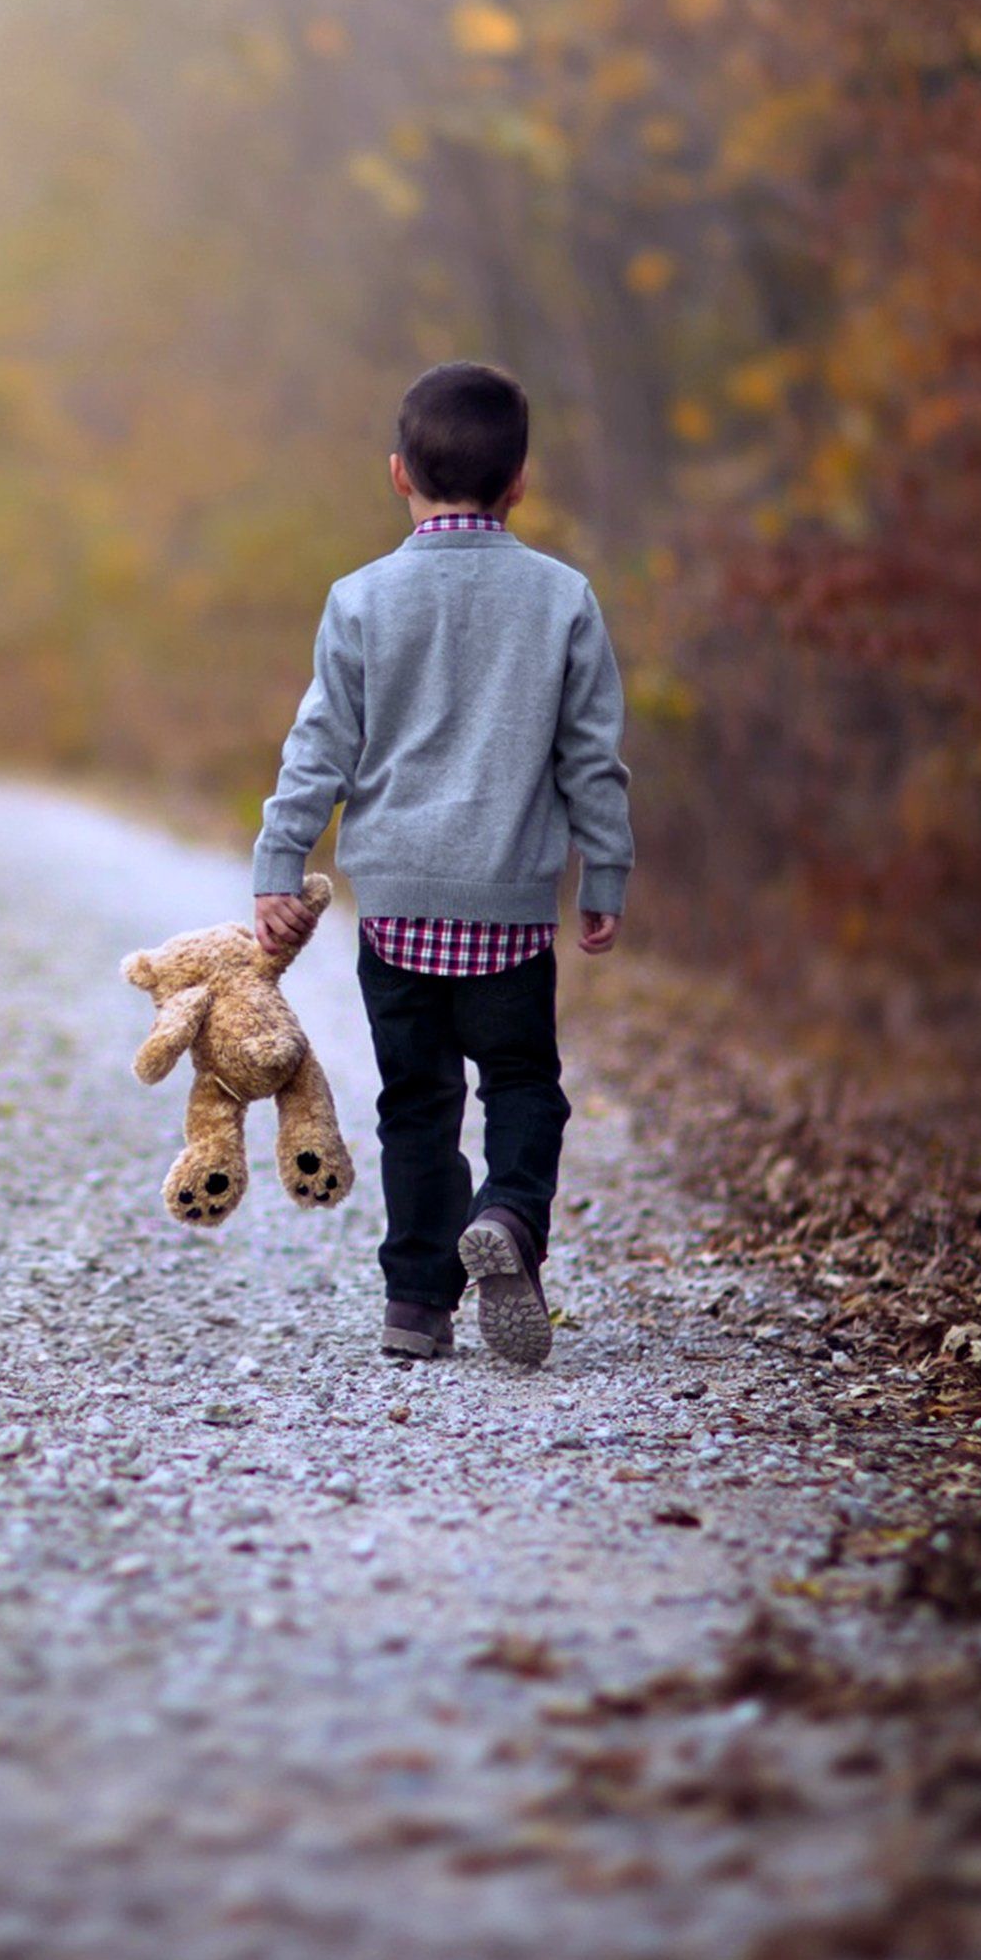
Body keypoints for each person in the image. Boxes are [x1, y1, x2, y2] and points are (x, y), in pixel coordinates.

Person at [249, 362, 632, 1368]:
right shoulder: (563, 598)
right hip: (508, 911)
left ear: (397, 474)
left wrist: (280, 859)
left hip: (399, 913)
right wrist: (605, 874)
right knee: (522, 1084)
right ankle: (507, 1214)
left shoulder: (362, 600)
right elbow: (590, 755)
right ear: (518, 484)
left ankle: (417, 1303)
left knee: (416, 1105)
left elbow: (319, 745)